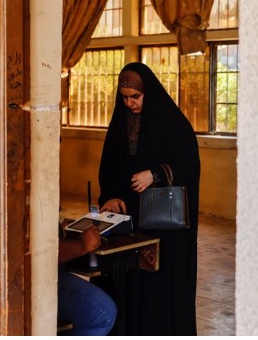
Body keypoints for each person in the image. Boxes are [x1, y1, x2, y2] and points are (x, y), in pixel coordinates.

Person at [98, 62, 200, 335]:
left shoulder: (172, 122)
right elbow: (109, 166)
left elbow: (189, 165)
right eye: (125, 98)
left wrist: (154, 175)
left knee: (162, 282)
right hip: (132, 220)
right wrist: (111, 196)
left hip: (166, 224)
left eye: (135, 97)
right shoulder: (120, 123)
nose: (129, 103)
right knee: (133, 279)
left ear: (148, 93)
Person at [57, 224, 117, 336]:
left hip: (55, 274)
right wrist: (82, 245)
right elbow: (45, 252)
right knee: (105, 314)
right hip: (41, 280)